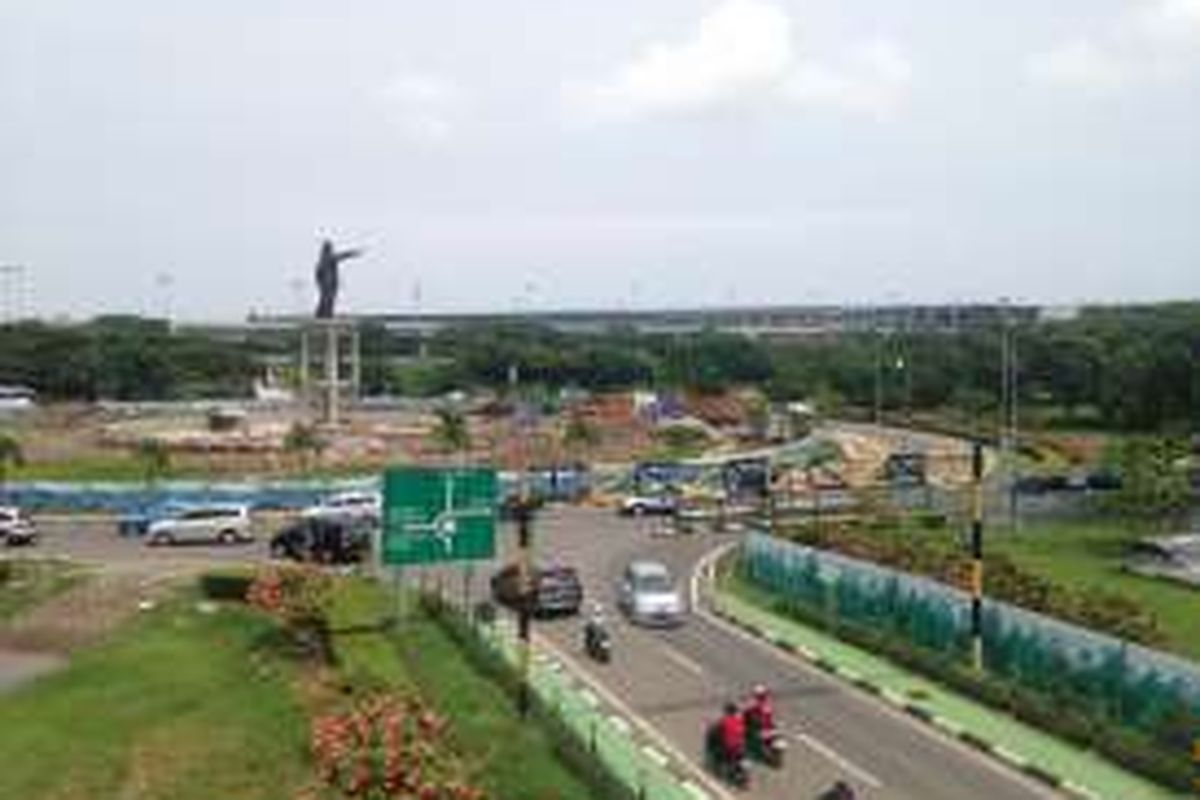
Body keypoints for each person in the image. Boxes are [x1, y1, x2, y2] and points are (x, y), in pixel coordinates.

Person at [718, 700, 746, 766]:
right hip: (740, 744)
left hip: (730, 745)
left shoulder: (724, 720)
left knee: (722, 752)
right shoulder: (740, 719)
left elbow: (720, 730)